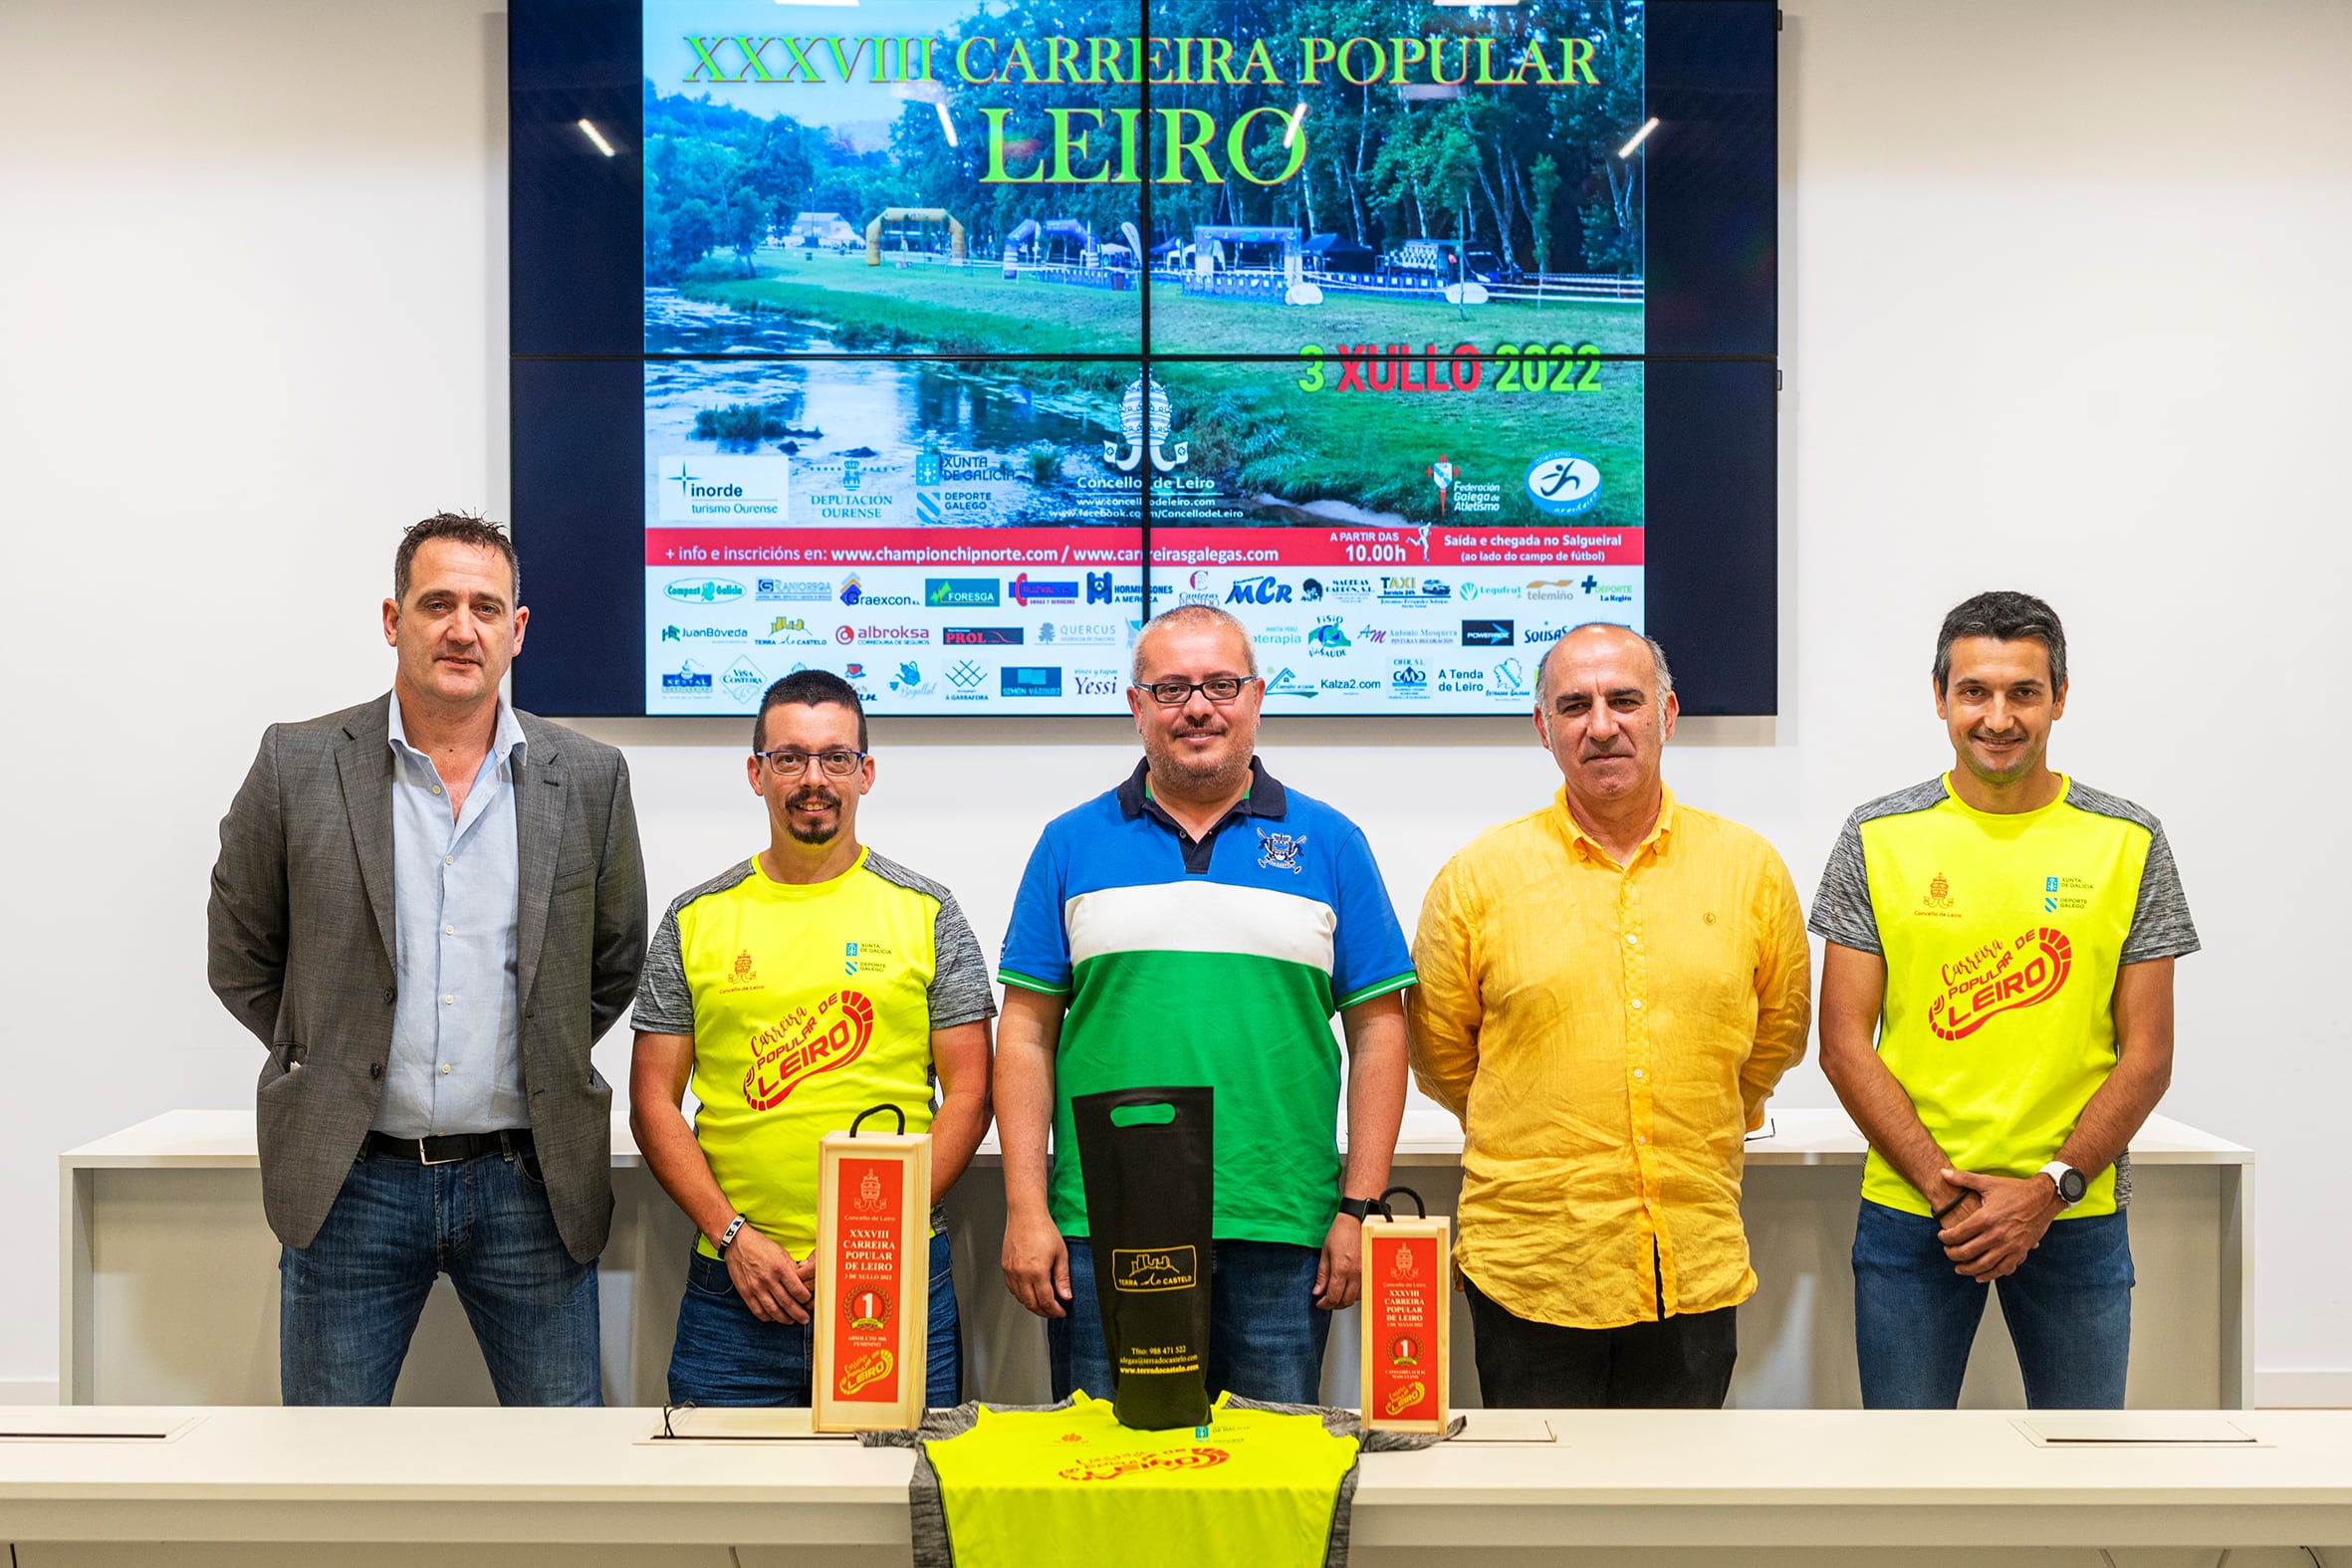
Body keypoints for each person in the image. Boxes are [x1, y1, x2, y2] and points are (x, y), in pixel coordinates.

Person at [207, 512, 647, 1406]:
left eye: (486, 607)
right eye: (437, 602)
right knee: (327, 1475)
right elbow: (239, 948)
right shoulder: (298, 763)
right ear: (391, 618)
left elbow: (611, 960)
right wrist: (325, 1044)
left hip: (531, 1184)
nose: (461, 627)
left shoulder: (590, 776)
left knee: (567, 1475)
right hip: (352, 1181)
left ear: (516, 630)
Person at [996, 603, 1415, 1404]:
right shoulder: (1069, 842)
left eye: (1222, 684)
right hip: (1102, 1228)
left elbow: (1379, 1030)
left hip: (1282, 1229)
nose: (1198, 706)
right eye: (1172, 687)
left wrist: (1358, 1209)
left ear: (1257, 696)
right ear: (1136, 705)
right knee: (1109, 1486)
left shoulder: (1331, 843)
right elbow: (1023, 1034)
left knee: (1272, 1485)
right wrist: (1025, 1208)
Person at [1812, 590, 2199, 1409]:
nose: (1998, 716)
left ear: (2060, 696)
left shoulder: (2129, 839)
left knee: (2082, 1468)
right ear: (1939, 697)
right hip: (1915, 1212)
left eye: (2024, 691)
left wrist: (2048, 1189)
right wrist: (1947, 1189)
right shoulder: (1876, 835)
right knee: (1904, 1473)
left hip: (2074, 1210)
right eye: (1974, 691)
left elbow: (2150, 1055)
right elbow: (1842, 1043)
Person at [1409, 623, 1811, 1408]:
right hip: (1530, 1268)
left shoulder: (1750, 870)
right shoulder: (1477, 879)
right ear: (1543, 727)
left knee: (1673, 1523)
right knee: (1540, 1522)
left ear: (1667, 713)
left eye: (1625, 700)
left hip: (1690, 1266)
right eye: (1574, 705)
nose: (1601, 725)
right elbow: (1443, 1055)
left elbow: (1776, 1037)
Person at [629, 671, 994, 1407]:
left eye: (834, 757)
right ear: (756, 772)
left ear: (866, 771)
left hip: (892, 1275)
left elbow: (971, 1093)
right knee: (721, 1511)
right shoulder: (695, 917)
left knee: (907, 1502)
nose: (812, 779)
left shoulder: (928, 911)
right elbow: (652, 1104)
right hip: (735, 1281)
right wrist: (734, 1236)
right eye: (789, 757)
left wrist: (869, 1236)